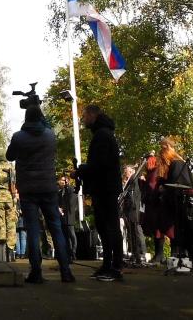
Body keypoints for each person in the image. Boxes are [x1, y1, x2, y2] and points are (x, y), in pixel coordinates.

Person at [6, 104, 75, 284]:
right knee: (56, 229)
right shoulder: (50, 135)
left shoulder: (19, 137)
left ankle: (36, 272)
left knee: (33, 230)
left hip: (28, 190)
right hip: (48, 188)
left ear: (26, 118)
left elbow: (9, 156)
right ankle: (66, 271)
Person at [75, 104, 124, 282]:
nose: (83, 119)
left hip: (105, 188)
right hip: (105, 187)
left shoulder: (102, 135)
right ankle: (109, 264)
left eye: (85, 115)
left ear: (93, 115)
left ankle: (114, 266)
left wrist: (82, 170)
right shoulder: (104, 134)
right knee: (105, 227)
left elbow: (100, 164)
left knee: (108, 226)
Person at [154, 136, 193, 265]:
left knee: (181, 230)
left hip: (180, 204)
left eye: (162, 152)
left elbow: (177, 184)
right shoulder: (179, 163)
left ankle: (184, 260)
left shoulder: (177, 163)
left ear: (168, 149)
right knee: (178, 230)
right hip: (178, 203)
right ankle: (180, 259)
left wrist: (164, 188)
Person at [120, 164, 147, 266]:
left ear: (131, 171)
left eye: (126, 171)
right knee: (131, 234)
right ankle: (134, 255)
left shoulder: (134, 179)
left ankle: (139, 256)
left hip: (133, 210)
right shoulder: (129, 181)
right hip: (128, 210)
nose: (125, 173)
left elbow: (133, 195)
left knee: (135, 233)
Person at [57, 176, 79, 262]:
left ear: (67, 181)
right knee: (66, 236)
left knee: (72, 235)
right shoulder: (60, 192)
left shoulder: (71, 189)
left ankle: (73, 252)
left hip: (69, 216)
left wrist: (63, 210)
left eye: (63, 180)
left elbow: (71, 203)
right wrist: (59, 208)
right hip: (62, 217)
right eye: (61, 180)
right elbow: (58, 202)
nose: (61, 182)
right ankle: (68, 253)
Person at [13, 187, 27, 257]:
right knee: (17, 237)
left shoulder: (23, 201)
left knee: (23, 236)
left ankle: (23, 253)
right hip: (16, 220)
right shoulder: (13, 201)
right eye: (15, 193)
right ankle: (18, 253)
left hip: (23, 220)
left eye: (17, 193)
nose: (16, 195)